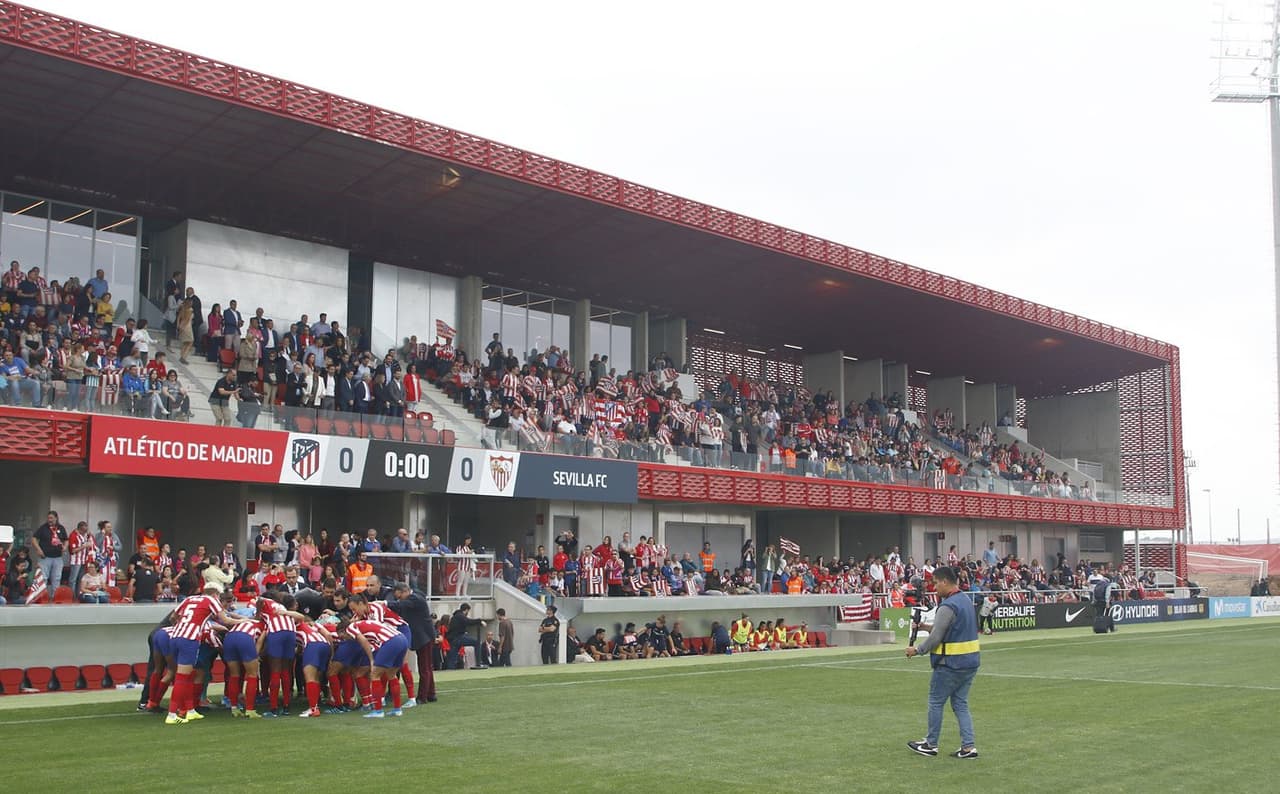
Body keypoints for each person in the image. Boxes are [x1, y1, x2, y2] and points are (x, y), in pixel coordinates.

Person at [906, 566, 981, 759]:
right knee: (961, 704)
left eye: (936, 583)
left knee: (936, 702)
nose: (934, 587)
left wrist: (917, 650)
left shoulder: (947, 606)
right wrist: (924, 626)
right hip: (970, 662)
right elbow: (949, 628)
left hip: (950, 664)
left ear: (945, 582)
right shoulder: (965, 600)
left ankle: (931, 744)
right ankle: (968, 747)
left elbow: (937, 636)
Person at [386, 581, 438, 703]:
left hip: (424, 636)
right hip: (423, 636)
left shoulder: (415, 599)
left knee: (424, 668)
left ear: (405, 591)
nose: (399, 600)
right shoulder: (414, 598)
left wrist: (385, 603)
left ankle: (422, 696)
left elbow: (400, 606)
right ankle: (431, 694)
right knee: (427, 667)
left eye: (399, 597)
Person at [445, 602, 485, 669]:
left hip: (453, 639)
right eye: (468, 611)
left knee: (452, 658)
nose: (467, 613)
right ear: (466, 610)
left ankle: (449, 670)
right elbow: (468, 621)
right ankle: (478, 663)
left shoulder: (455, 616)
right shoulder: (460, 616)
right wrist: (480, 621)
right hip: (458, 637)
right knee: (477, 643)